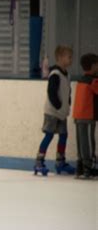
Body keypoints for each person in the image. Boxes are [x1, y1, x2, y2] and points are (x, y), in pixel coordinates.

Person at [33, 45, 75, 176]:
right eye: (69, 57)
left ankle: (60, 161)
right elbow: (51, 92)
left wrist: (67, 104)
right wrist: (58, 106)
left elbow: (67, 91)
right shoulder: (55, 74)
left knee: (63, 135)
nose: (71, 59)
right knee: (49, 135)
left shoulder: (67, 74)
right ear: (60, 57)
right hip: (52, 112)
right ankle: (39, 162)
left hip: (62, 112)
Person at [72, 53, 98, 178]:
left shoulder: (81, 80)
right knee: (88, 141)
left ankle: (80, 166)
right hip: (87, 116)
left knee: (81, 141)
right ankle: (89, 167)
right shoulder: (93, 81)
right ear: (93, 66)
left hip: (78, 115)